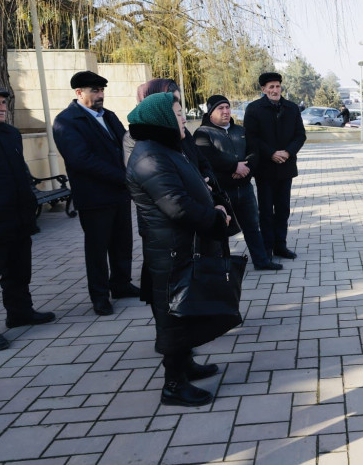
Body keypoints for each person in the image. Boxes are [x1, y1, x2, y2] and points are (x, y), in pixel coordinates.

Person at [127, 92, 235, 407]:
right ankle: (173, 385)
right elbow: (177, 206)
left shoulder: (165, 148)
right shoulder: (149, 157)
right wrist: (215, 218)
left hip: (183, 245)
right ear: (161, 119)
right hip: (170, 249)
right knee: (172, 314)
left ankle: (186, 365)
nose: (183, 118)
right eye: (177, 113)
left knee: (184, 310)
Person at [53, 71, 138, 316]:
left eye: (102, 90)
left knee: (122, 243)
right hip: (94, 197)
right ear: (79, 93)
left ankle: (121, 284)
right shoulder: (67, 121)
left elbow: (125, 144)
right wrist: (122, 176)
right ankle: (100, 297)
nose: (100, 95)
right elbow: (81, 159)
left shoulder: (108, 115)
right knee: (97, 249)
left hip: (119, 193)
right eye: (95, 91)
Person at [0, 84, 55, 351]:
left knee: (19, 270)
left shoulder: (10, 134)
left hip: (18, 216)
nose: (1, 107)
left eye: (3, 102)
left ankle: (19, 313)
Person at [194, 95, 282, 271]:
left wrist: (245, 170)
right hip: (221, 191)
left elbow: (254, 152)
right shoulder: (202, 133)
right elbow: (209, 157)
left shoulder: (241, 130)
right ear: (211, 112)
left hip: (244, 188)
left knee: (252, 226)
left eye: (227, 107)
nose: (226, 111)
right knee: (221, 228)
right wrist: (234, 167)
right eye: (221, 108)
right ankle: (223, 266)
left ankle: (262, 261)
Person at [244, 72, 306, 260]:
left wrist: (288, 152)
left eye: (277, 86)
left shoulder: (292, 108)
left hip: (286, 166)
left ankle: (281, 246)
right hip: (265, 168)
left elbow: (300, 135)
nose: (275, 90)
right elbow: (251, 137)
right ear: (263, 89)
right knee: (265, 211)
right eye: (271, 87)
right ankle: (267, 248)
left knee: (283, 210)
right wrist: (271, 152)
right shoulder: (254, 109)